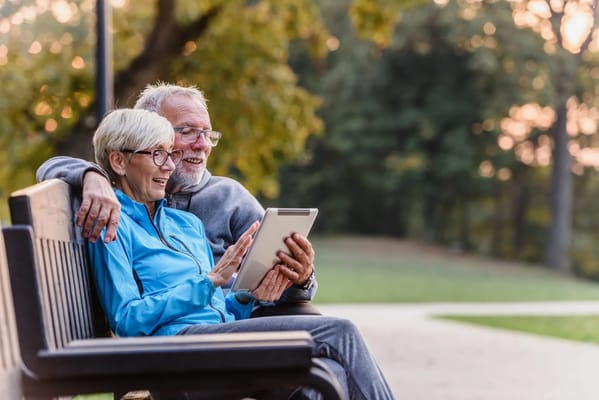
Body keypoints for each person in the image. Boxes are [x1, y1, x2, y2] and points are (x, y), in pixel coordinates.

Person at [88, 108, 395, 400]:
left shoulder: (186, 225)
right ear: (118, 161)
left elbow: (216, 308)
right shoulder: (112, 225)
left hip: (216, 346)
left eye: (170, 154)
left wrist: (249, 296)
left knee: (327, 373)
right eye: (157, 154)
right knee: (339, 331)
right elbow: (127, 319)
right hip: (177, 358)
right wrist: (209, 282)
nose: (169, 165)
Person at [37, 83, 318, 317]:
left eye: (207, 134)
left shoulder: (226, 199)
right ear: (148, 130)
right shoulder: (119, 205)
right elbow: (49, 167)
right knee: (330, 341)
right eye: (186, 131)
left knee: (323, 342)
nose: (202, 144)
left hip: (238, 318)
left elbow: (281, 286)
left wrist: (301, 279)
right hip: (191, 338)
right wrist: (92, 175)